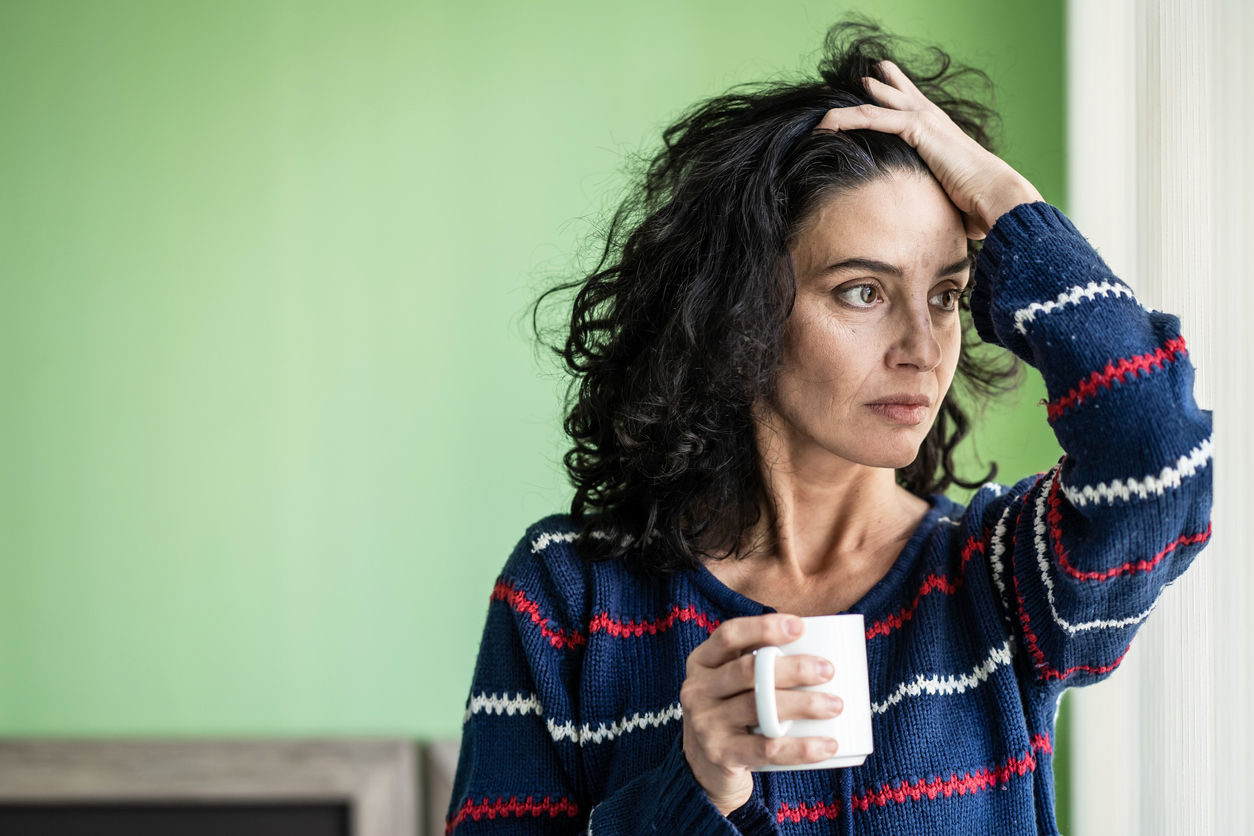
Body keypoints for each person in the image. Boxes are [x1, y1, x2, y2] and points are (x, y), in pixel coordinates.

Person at [445, 21, 1212, 836]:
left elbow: (1159, 453)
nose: (923, 349)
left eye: (947, 296)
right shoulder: (568, 595)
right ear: (739, 310)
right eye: (863, 292)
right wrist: (693, 790)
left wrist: (1010, 205)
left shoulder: (999, 580)